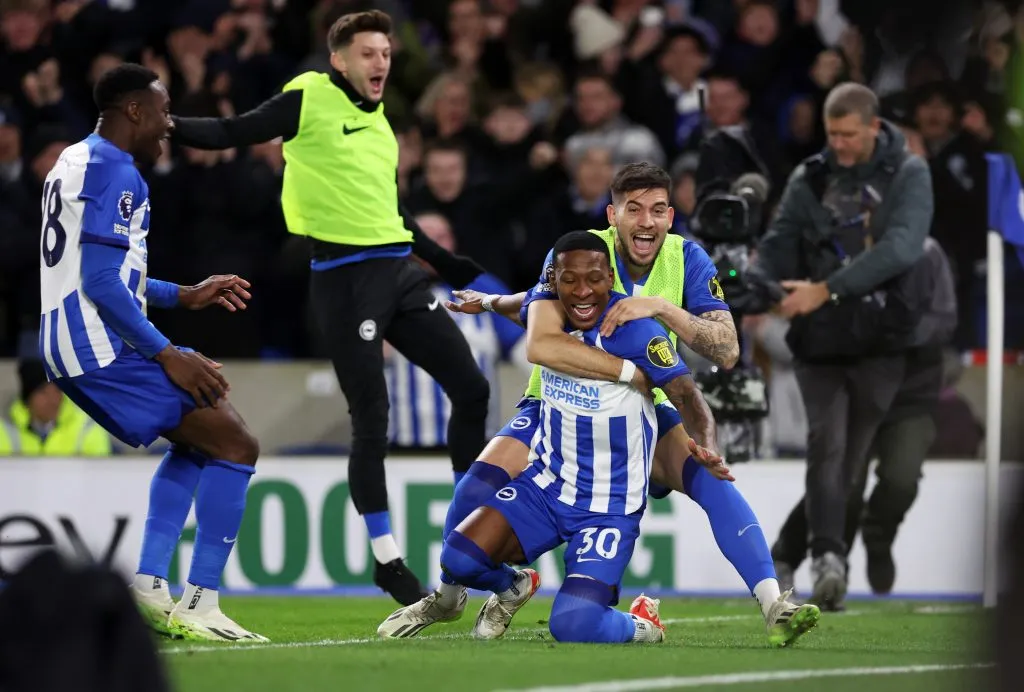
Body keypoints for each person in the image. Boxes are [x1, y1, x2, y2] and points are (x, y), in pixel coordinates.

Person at [380, 165, 819, 647]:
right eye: (634, 210)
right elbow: (542, 333)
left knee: (711, 480)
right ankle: (459, 595)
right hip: (555, 404)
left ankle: (774, 603)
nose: (646, 222)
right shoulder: (580, 250)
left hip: (641, 411)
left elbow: (727, 348)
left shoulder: (687, 258)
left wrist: (661, 308)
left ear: (670, 217)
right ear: (613, 216)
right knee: (472, 491)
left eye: (656, 210)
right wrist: (624, 369)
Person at [168, 10, 490, 605]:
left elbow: (391, 214)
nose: (381, 64)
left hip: (399, 273)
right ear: (338, 59)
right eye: (367, 53)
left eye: (386, 53)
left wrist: (444, 263)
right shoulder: (308, 96)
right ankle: (386, 557)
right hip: (344, 282)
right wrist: (163, 123)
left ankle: (469, 530)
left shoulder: (384, 124)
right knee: (373, 417)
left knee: (471, 388)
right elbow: (233, 131)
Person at [38, 63, 264, 642]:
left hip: (67, 343)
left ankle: (149, 583)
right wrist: (169, 353)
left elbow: (108, 273)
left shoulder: (72, 159)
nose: (169, 125)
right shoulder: (120, 171)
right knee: (237, 441)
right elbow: (102, 283)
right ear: (134, 110)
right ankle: (201, 603)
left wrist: (184, 295)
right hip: (100, 345)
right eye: (163, 112)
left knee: (198, 440)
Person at [435, 231, 694, 643]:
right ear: (553, 281)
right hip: (546, 487)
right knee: (458, 558)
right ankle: (513, 586)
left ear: (610, 278)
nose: (582, 291)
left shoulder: (636, 332)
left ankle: (642, 625)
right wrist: (485, 302)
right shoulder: (545, 314)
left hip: (607, 506)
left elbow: (686, 390)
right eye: (569, 281)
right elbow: (520, 307)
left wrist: (706, 443)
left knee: (573, 625)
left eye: (593, 279)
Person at [751, 82, 934, 610]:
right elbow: (779, 242)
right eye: (832, 134)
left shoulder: (909, 172)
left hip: (883, 340)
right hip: (822, 343)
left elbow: (902, 247)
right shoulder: (811, 176)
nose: (840, 145)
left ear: (874, 128)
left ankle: (793, 552)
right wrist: (755, 280)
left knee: (850, 463)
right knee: (826, 445)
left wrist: (825, 289)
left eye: (849, 135)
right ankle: (828, 556)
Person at [385, 213, 529, 449]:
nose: (432, 246)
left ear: (452, 242)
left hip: (478, 444)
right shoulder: (388, 289)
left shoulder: (481, 285)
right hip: (407, 446)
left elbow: (523, 349)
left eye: (440, 237)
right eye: (424, 238)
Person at [0, 359, 111, 456]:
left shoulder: (88, 428)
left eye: (57, 390)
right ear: (28, 398)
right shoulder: (4, 430)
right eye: (43, 392)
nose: (53, 400)